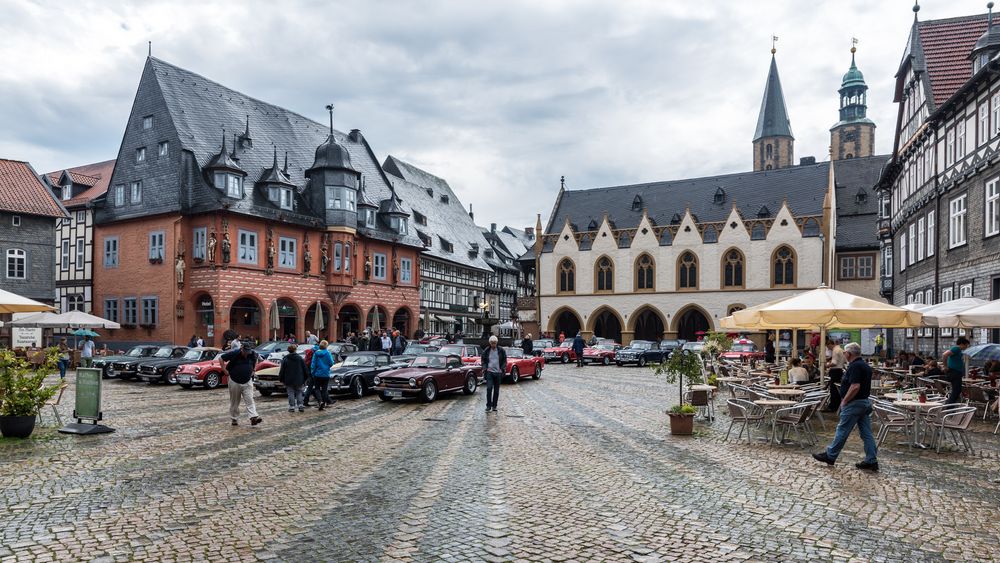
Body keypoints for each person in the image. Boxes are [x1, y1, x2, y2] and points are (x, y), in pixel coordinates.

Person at [812, 342, 879, 472]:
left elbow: (855, 386)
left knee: (842, 430)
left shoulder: (855, 366)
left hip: (854, 403)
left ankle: (830, 455)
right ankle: (871, 460)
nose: (844, 354)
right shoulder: (864, 365)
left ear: (849, 353)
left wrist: (845, 401)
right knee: (866, 433)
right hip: (864, 402)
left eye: (845, 353)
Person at [219, 342, 262, 426]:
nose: (247, 353)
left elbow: (256, 359)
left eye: (248, 351)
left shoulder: (252, 354)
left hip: (247, 380)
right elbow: (221, 358)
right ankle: (234, 419)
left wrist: (254, 370)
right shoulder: (234, 353)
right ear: (241, 348)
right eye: (245, 351)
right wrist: (224, 370)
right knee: (234, 402)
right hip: (234, 380)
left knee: (250, 399)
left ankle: (253, 417)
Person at [278, 344, 308, 412]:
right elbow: (305, 369)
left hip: (288, 379)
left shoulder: (285, 359)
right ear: (295, 350)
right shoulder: (300, 358)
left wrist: (280, 378)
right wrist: (306, 378)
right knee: (299, 392)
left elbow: (282, 370)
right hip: (299, 379)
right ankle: (300, 405)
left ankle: (292, 406)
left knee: (290, 393)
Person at [481, 335, 507, 412]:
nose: (493, 345)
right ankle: (488, 405)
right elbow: (483, 360)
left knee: (496, 390)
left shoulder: (501, 350)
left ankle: (494, 406)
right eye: (492, 343)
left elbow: (505, 360)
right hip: (489, 372)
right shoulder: (487, 350)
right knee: (489, 388)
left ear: (496, 343)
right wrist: (485, 368)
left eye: (494, 343)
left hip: (498, 372)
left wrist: (502, 368)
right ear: (490, 343)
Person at [942, 336, 970, 404]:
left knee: (956, 390)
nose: (966, 347)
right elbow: (945, 355)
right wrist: (945, 366)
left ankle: (952, 406)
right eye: (966, 345)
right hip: (954, 372)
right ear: (962, 344)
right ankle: (949, 406)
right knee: (957, 390)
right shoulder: (956, 348)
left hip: (956, 372)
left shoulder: (958, 350)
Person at [309, 340, 335, 410]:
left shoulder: (316, 353)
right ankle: (324, 402)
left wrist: (313, 372)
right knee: (324, 389)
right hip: (326, 374)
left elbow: (313, 364)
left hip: (317, 374)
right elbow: (331, 363)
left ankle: (320, 401)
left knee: (317, 389)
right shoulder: (328, 353)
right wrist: (327, 367)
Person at [825, 338, 846, 412]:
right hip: (839, 370)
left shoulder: (835, 350)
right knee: (836, 389)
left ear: (830, 344)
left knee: (833, 390)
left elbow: (834, 363)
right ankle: (836, 405)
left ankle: (833, 406)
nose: (828, 349)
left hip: (835, 371)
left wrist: (826, 366)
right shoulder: (840, 349)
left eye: (828, 347)